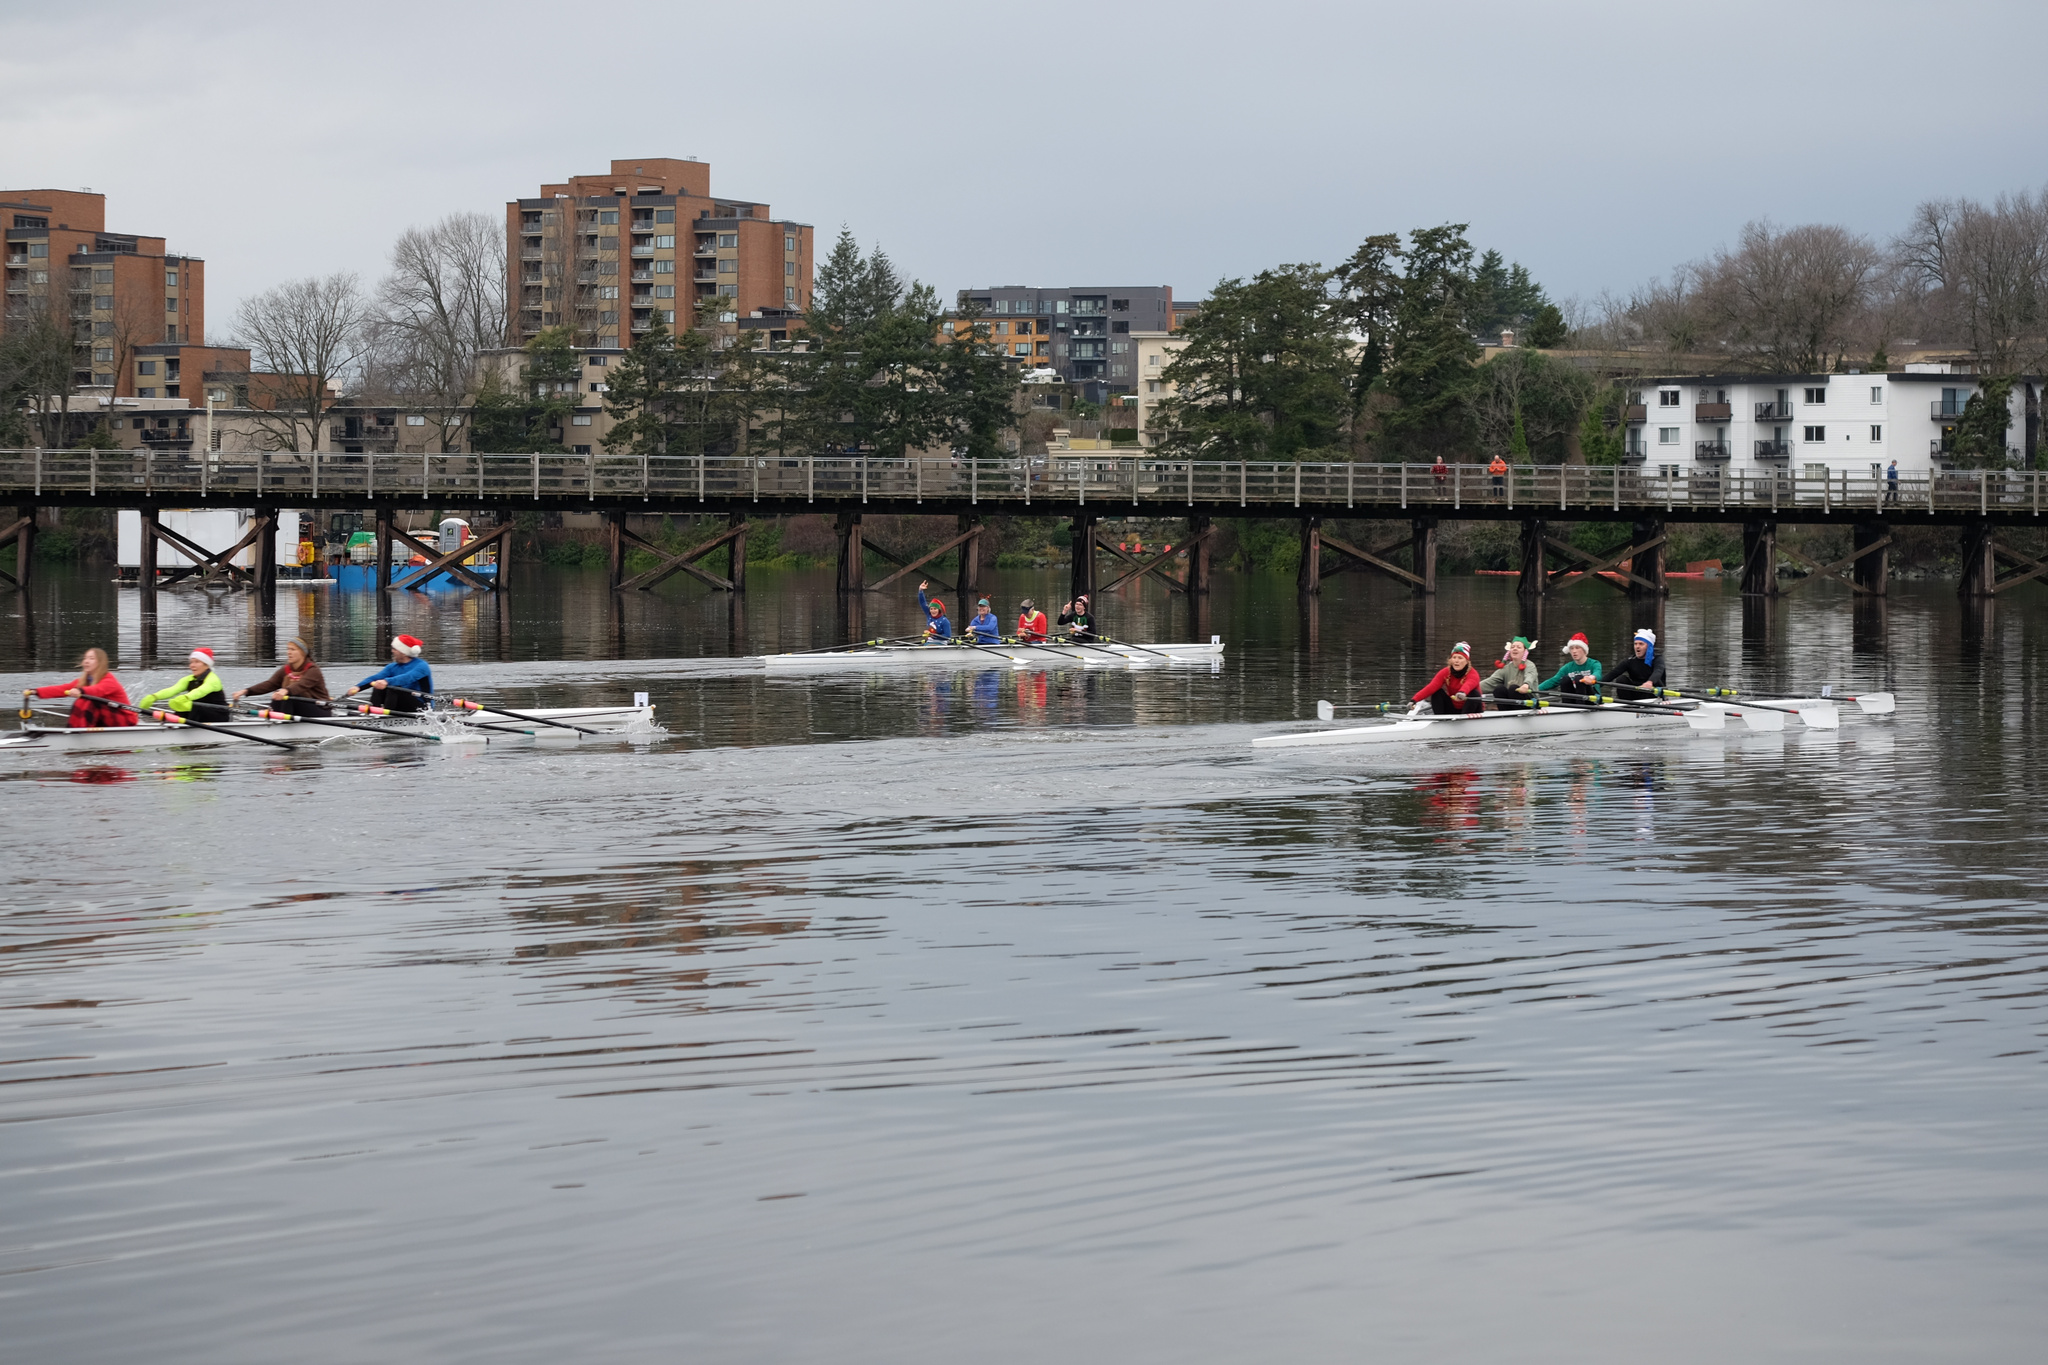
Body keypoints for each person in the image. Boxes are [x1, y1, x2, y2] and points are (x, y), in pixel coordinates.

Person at [29, 646, 137, 728]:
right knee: (81, 701)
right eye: (85, 658)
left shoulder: (109, 681)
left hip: (126, 720)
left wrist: (80, 690)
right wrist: (36, 691)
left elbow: (96, 691)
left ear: (100, 663)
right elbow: (62, 689)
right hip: (107, 718)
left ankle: (80, 732)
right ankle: (74, 730)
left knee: (89, 701)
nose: (86, 661)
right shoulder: (84, 681)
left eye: (91, 658)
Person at [231, 636, 331, 717]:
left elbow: (301, 685)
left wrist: (286, 690)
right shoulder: (286, 669)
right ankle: (276, 717)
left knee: (288, 696)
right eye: (288, 649)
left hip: (320, 710)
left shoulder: (313, 670)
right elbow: (270, 684)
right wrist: (246, 691)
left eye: (293, 649)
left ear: (303, 653)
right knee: (278, 695)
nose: (289, 652)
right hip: (299, 708)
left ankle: (280, 722)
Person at [139, 647, 232, 721]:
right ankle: (175, 725)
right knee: (185, 707)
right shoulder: (188, 679)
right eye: (191, 662)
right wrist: (154, 697)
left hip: (219, 714)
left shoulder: (213, 680)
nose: (192, 665)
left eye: (197, 662)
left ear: (206, 665)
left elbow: (201, 691)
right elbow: (172, 690)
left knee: (193, 705)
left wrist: (186, 697)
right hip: (200, 714)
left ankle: (182, 730)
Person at [346, 635, 432, 713]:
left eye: (394, 649)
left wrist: (387, 681)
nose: (392, 651)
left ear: (403, 652)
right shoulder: (392, 667)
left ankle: (384, 716)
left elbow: (408, 677)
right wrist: (358, 687)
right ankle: (375, 712)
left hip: (422, 705)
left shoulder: (422, 666)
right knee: (378, 684)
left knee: (393, 688)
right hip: (401, 702)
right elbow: (376, 677)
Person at [1412, 642, 1484, 715]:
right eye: (1454, 657)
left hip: (1472, 709)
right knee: (1436, 692)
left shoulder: (1473, 673)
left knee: (1475, 693)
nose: (1456, 661)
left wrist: (1462, 692)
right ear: (1451, 660)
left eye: (1460, 658)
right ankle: (1439, 720)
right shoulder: (1445, 672)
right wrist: (1414, 700)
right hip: (1453, 708)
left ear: (1467, 661)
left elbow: (1469, 685)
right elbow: (1431, 687)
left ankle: (1465, 720)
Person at [1603, 628, 1666, 700]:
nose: (1637, 646)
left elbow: (1658, 671)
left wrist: (1650, 682)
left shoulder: (1657, 659)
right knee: (1621, 679)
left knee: (1656, 681)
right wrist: (1596, 684)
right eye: (1635, 644)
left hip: (1652, 694)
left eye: (1641, 644)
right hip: (1636, 692)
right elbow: (1613, 673)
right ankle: (1626, 705)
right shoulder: (1630, 660)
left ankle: (1662, 699)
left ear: (1649, 647)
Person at [1539, 632, 1603, 702]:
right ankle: (1567, 707)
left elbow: (1598, 674)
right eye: (1571, 648)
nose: (1574, 651)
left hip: (1591, 699)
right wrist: (1534, 689)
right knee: (1564, 679)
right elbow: (1553, 681)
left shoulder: (1594, 663)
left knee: (1579, 678)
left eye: (1577, 648)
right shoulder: (1567, 667)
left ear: (1584, 650)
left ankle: (1580, 706)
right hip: (1574, 699)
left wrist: (1591, 678)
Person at [1480, 636, 1541, 709]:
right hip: (1513, 702)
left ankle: (1514, 715)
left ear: (1525, 651)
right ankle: (1505, 714)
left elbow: (1530, 676)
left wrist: (1526, 685)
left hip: (1531, 701)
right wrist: (1473, 688)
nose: (1515, 649)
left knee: (1513, 688)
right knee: (1499, 689)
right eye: (1512, 647)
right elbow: (1490, 682)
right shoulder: (1506, 668)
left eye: (1518, 647)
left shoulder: (1530, 665)